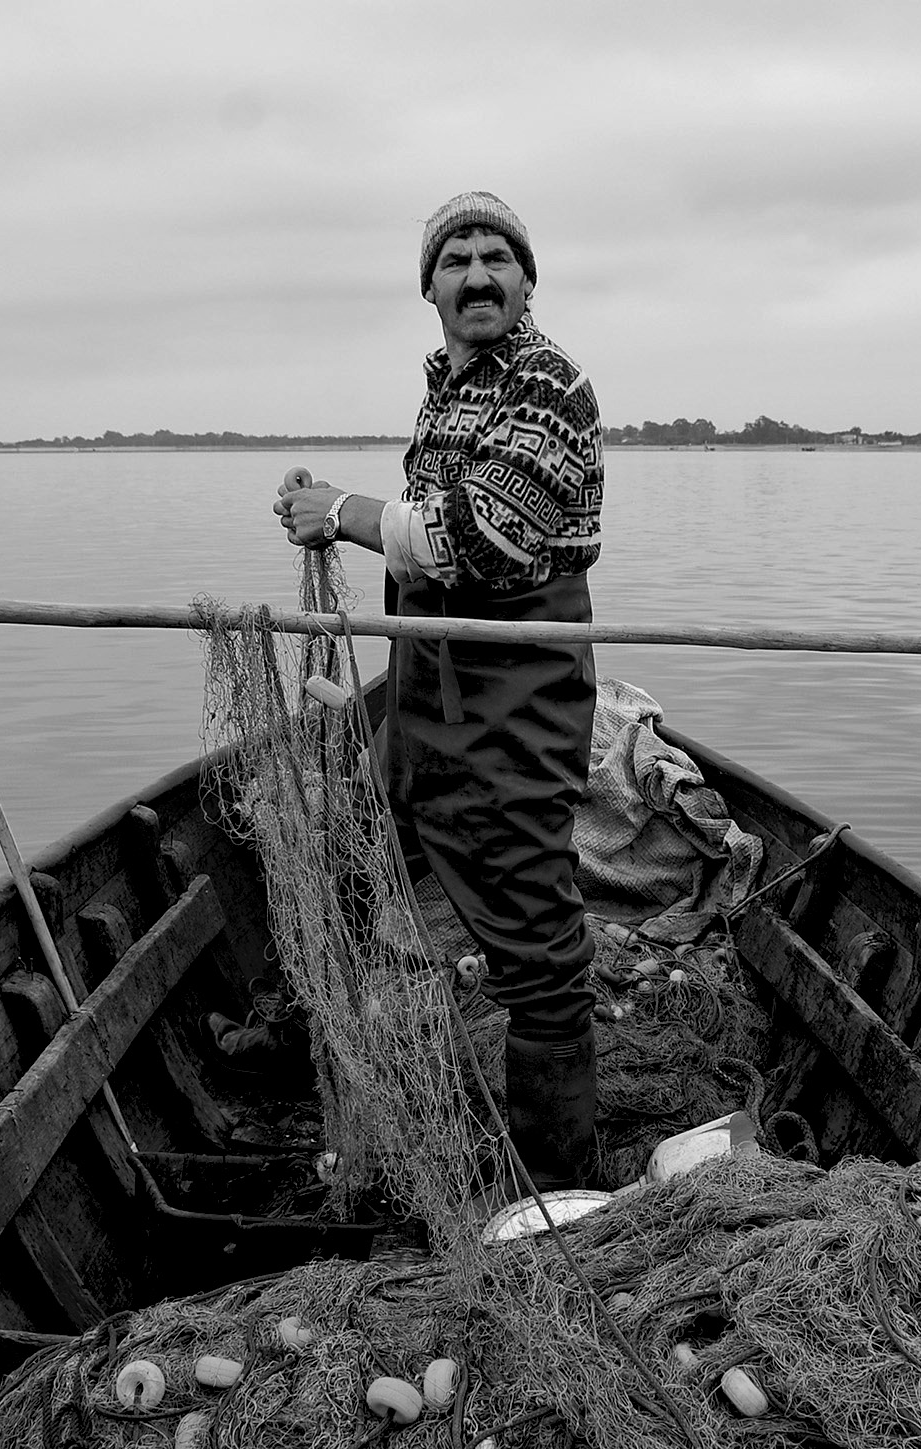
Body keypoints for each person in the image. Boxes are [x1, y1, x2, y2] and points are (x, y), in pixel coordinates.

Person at [271, 191, 604, 1192]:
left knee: (540, 959)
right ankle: (308, 1043)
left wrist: (338, 508)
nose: (478, 274)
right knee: (351, 855)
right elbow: (424, 536)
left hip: (512, 709)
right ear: (429, 289)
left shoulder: (551, 385)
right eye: (455, 259)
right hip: (429, 697)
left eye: (498, 257)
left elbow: (479, 540)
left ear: (527, 280)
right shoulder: (449, 389)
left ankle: (558, 1187)